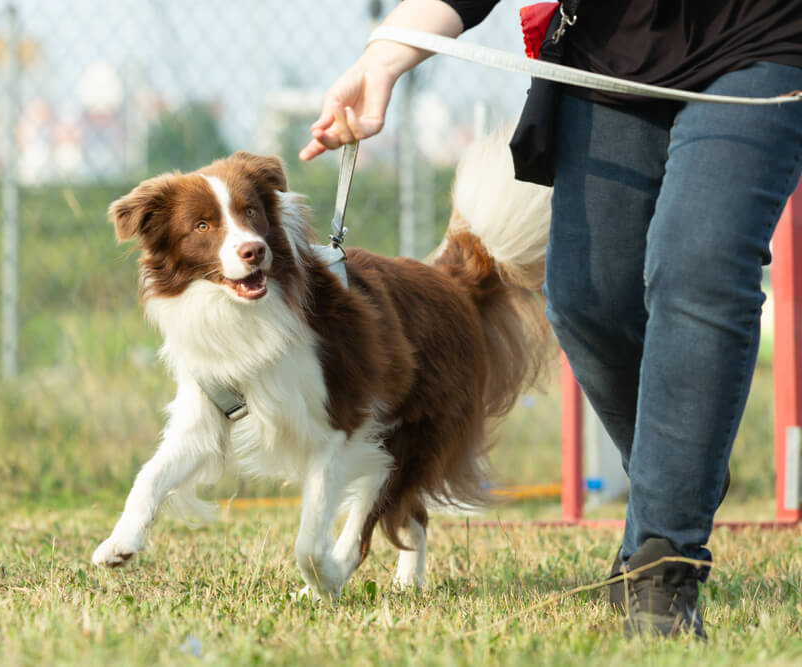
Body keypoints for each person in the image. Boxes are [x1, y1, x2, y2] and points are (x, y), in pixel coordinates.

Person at [300, 0, 802, 639]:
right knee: (585, 298)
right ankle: (682, 463)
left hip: (762, 39)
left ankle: (660, 567)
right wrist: (384, 57)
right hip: (613, 49)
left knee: (697, 264)